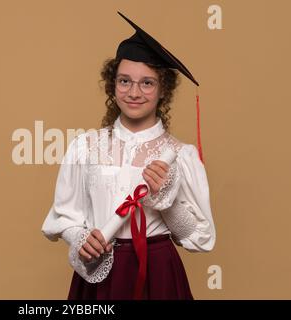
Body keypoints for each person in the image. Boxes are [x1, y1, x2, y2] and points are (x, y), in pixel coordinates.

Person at [41, 11, 216, 300]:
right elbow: (63, 216)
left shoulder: (181, 156)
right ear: (113, 86)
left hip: (159, 271)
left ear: (163, 91)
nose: (134, 92)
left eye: (147, 83)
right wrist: (81, 239)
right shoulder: (85, 147)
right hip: (101, 268)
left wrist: (164, 200)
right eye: (125, 81)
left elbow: (198, 237)